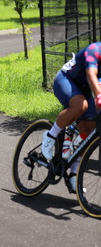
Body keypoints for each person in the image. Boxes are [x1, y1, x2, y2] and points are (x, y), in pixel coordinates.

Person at [41, 42, 101, 192]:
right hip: (67, 79)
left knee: (90, 127)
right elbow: (91, 74)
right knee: (81, 106)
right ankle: (50, 136)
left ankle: (73, 173)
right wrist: (99, 95)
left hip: (87, 87)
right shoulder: (95, 49)